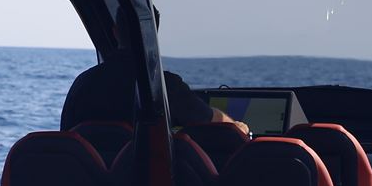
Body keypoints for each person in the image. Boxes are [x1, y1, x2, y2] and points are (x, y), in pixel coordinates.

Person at [59, 59, 248, 132]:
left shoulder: (84, 82)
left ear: (116, 32)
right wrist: (236, 128)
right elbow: (209, 119)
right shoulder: (163, 85)